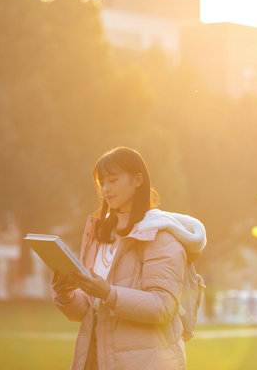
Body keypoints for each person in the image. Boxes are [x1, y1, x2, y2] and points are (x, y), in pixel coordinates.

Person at [51, 147, 206, 370]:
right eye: (101, 182)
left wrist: (106, 292)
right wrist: (65, 293)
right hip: (94, 361)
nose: (105, 188)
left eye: (113, 180)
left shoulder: (161, 236)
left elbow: (163, 306)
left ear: (137, 180)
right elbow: (88, 311)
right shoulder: (101, 235)